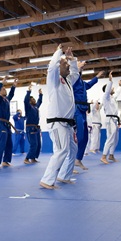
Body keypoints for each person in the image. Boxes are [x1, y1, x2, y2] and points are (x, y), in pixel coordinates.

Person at [39, 45, 80, 189]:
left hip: (67, 124)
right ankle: (47, 180)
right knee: (61, 150)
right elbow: (51, 68)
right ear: (58, 67)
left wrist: (72, 59)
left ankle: (64, 176)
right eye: (65, 64)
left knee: (73, 149)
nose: (68, 65)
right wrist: (58, 53)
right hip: (57, 122)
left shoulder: (67, 81)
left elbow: (75, 73)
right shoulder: (54, 81)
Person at [73, 67, 102, 170]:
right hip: (76, 109)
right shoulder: (73, 81)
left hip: (83, 109)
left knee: (85, 137)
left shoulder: (82, 83)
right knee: (79, 136)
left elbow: (89, 85)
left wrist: (97, 77)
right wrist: (78, 67)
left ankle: (78, 160)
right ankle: (70, 163)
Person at [0, 78, 17, 168]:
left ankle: (5, 161)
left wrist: (13, 86)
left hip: (6, 124)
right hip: (0, 123)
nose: (4, 89)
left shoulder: (6, 100)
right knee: (1, 143)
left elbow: (11, 94)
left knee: (9, 143)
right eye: (2, 89)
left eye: (5, 88)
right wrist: (0, 83)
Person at [100, 73, 121, 164]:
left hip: (114, 120)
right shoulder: (105, 97)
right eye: (111, 88)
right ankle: (103, 156)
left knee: (115, 138)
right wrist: (110, 81)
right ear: (108, 90)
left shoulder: (112, 98)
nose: (113, 89)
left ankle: (111, 155)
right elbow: (108, 91)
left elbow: (116, 93)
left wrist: (120, 87)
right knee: (110, 138)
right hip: (109, 120)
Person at [23, 85, 43, 164]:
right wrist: (28, 91)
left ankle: (33, 158)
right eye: (32, 99)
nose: (34, 100)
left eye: (34, 99)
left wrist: (40, 94)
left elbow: (40, 101)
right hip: (30, 127)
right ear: (29, 101)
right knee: (33, 144)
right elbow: (25, 101)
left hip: (36, 127)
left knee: (38, 144)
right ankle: (27, 158)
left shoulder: (36, 107)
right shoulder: (28, 107)